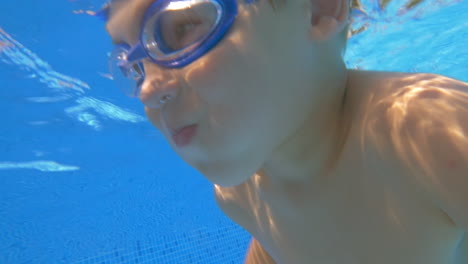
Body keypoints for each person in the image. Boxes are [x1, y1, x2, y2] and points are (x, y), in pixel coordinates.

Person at [102, 0, 468, 262]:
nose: (148, 89)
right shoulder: (241, 197)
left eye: (182, 28)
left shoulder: (431, 132)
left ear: (318, 10)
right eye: (131, 65)